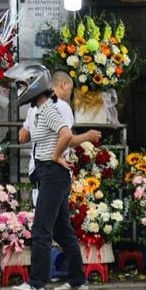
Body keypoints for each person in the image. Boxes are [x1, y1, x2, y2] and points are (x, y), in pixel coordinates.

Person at [5, 64, 97, 290]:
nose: (21, 90)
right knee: (62, 230)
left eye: (23, 85)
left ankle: (36, 283)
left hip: (52, 174)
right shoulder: (40, 108)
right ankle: (77, 280)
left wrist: (56, 156)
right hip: (48, 173)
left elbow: (66, 134)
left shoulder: (48, 108)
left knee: (41, 229)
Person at [19, 70, 100, 204]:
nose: (70, 93)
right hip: (54, 168)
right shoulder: (61, 106)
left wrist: (38, 133)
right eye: (71, 89)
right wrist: (88, 136)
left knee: (56, 221)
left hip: (36, 167)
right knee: (44, 222)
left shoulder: (34, 107)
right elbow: (67, 138)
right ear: (64, 84)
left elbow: (22, 137)